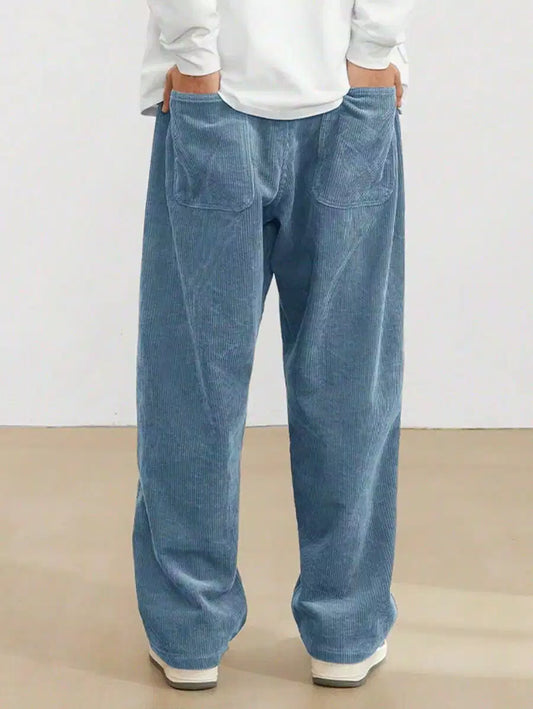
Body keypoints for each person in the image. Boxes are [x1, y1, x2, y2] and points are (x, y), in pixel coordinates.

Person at [133, 0, 413, 691]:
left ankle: (189, 634)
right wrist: (372, 51)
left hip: (216, 97)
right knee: (348, 381)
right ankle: (345, 630)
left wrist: (195, 55)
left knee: (192, 383)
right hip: (344, 92)